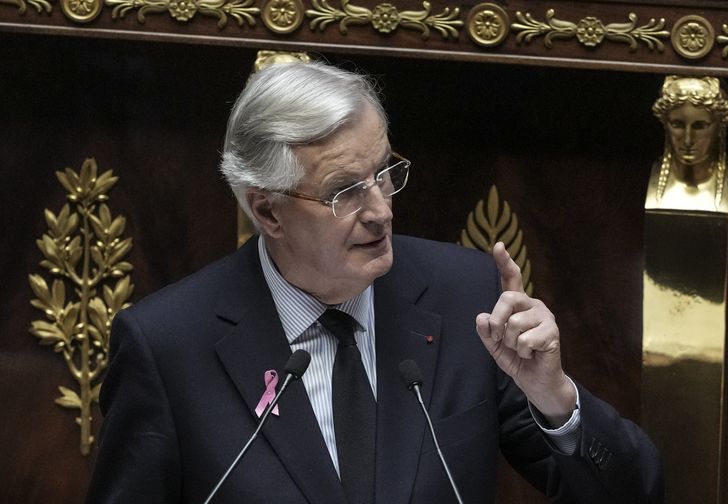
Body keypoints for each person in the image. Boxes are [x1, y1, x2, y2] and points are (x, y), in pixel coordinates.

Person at [86, 61, 663, 503]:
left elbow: (635, 490)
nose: (381, 211)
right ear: (268, 212)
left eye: (384, 174)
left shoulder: (466, 299)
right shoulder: (168, 346)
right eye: (344, 191)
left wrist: (553, 396)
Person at [646, 75, 728, 213]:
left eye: (700, 126)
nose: (688, 140)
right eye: (677, 125)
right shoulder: (643, 182)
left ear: (720, 126)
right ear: (665, 124)